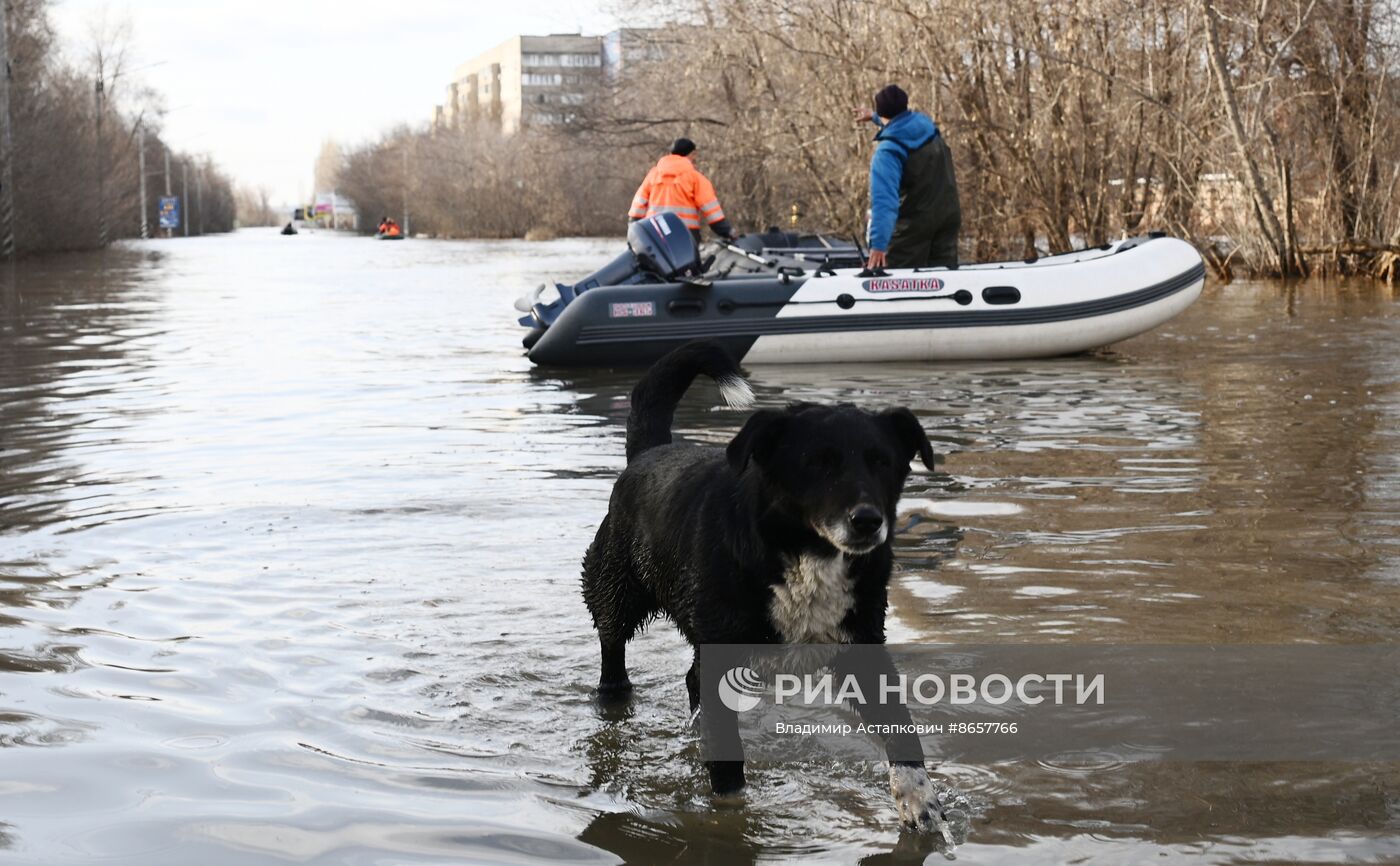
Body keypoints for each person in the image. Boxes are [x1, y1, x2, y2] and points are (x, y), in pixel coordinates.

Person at [854, 84, 961, 270]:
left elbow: (885, 202)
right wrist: (873, 117)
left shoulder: (887, 152)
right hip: (948, 217)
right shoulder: (925, 124)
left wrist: (878, 245)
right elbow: (901, 125)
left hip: (913, 228)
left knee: (898, 287)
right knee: (944, 283)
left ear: (882, 112)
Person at [628, 138, 736, 245]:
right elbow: (712, 212)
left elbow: (637, 208)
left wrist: (633, 233)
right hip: (686, 234)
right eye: (694, 155)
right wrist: (728, 232)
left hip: (655, 233)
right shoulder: (696, 178)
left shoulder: (653, 175)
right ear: (691, 154)